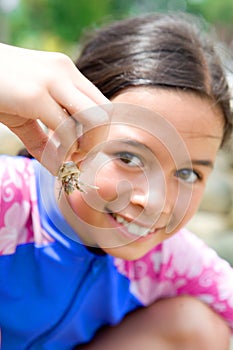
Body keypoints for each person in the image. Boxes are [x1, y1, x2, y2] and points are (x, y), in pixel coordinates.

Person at [0, 11, 233, 350]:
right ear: (65, 126)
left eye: (187, 174)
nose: (154, 202)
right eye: (128, 158)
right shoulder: (10, 198)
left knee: (200, 329)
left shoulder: (167, 259)